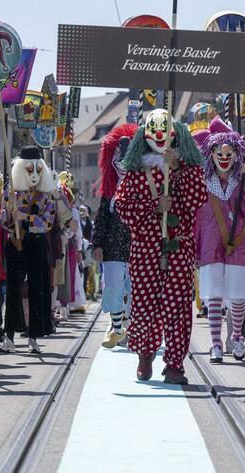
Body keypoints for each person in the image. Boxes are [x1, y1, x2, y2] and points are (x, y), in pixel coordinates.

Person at [115, 109, 207, 385]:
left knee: (178, 305)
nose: (159, 137)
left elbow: (198, 200)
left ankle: (175, 363)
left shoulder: (189, 169)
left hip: (178, 247)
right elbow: (123, 207)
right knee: (145, 305)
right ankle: (145, 354)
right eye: (153, 132)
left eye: (165, 132)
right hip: (145, 248)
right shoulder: (135, 172)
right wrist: (154, 206)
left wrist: (178, 169)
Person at [193, 117, 245, 363]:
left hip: (237, 243)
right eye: (219, 152)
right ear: (211, 154)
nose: (224, 156)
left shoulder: (241, 180)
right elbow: (197, 217)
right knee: (215, 296)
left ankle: (237, 338)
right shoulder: (203, 182)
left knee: (238, 295)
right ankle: (216, 344)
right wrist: (195, 249)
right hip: (210, 244)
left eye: (229, 152)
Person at [0, 147, 58, 354]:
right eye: (30, 170)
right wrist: (10, 218)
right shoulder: (11, 192)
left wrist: (26, 218)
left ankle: (34, 336)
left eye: (38, 171)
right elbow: (2, 221)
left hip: (37, 243)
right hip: (16, 243)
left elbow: (48, 222)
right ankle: (9, 336)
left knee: (37, 288)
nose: (34, 175)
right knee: (14, 289)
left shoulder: (47, 195)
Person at [92, 123, 137, 348]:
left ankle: (132, 328)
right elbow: (101, 219)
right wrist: (97, 243)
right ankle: (117, 328)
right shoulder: (109, 191)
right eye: (118, 155)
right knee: (113, 287)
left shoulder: (144, 187)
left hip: (139, 246)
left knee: (136, 290)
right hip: (112, 246)